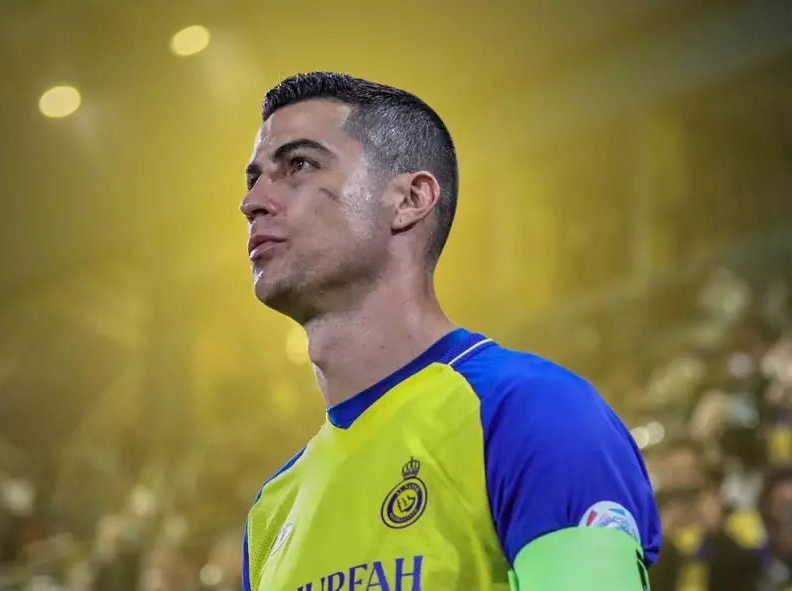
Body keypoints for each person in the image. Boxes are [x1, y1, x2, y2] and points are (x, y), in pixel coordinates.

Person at [238, 71, 661, 591]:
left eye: (299, 165)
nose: (253, 201)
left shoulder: (532, 411)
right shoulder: (272, 511)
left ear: (410, 199)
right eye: (254, 179)